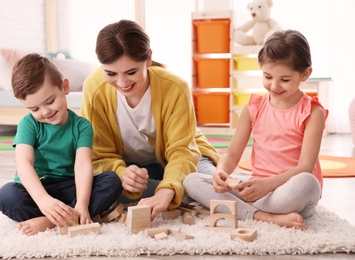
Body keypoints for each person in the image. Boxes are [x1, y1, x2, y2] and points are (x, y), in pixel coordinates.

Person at [183, 30, 329, 230]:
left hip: (288, 193)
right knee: (192, 180)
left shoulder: (312, 112)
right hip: (256, 189)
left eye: (285, 80)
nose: (274, 86)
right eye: (268, 76)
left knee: (308, 182)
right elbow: (232, 154)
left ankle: (245, 209)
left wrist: (268, 185)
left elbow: (305, 166)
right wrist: (221, 172)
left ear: (305, 74)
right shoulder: (254, 106)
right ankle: (263, 216)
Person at [80, 19, 219, 220]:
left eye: (131, 72)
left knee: (208, 185)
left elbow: (182, 151)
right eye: (111, 73)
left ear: (148, 59)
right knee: (99, 187)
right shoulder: (94, 88)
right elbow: (96, 155)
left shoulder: (175, 87)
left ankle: (176, 188)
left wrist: (167, 189)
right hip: (130, 166)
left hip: (184, 156)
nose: (122, 83)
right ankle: (178, 190)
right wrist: (122, 173)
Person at [0, 53, 122, 236]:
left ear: (65, 86)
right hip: (38, 188)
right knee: (6, 196)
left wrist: (83, 203)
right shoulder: (28, 124)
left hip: (71, 187)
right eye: (34, 109)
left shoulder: (82, 126)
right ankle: (68, 216)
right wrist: (43, 201)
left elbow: (83, 164)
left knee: (111, 181)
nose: (45, 112)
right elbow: (24, 164)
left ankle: (49, 221)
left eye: (49, 102)